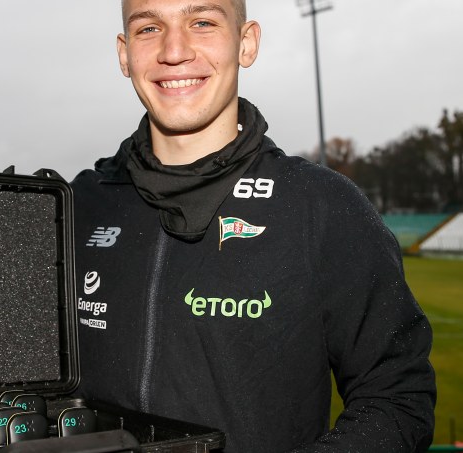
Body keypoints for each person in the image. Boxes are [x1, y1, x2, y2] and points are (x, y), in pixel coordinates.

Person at [70, 0, 436, 451]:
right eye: (149, 28)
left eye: (202, 22)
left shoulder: (321, 205)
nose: (174, 50)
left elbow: (398, 399)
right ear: (125, 54)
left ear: (246, 43)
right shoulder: (78, 205)